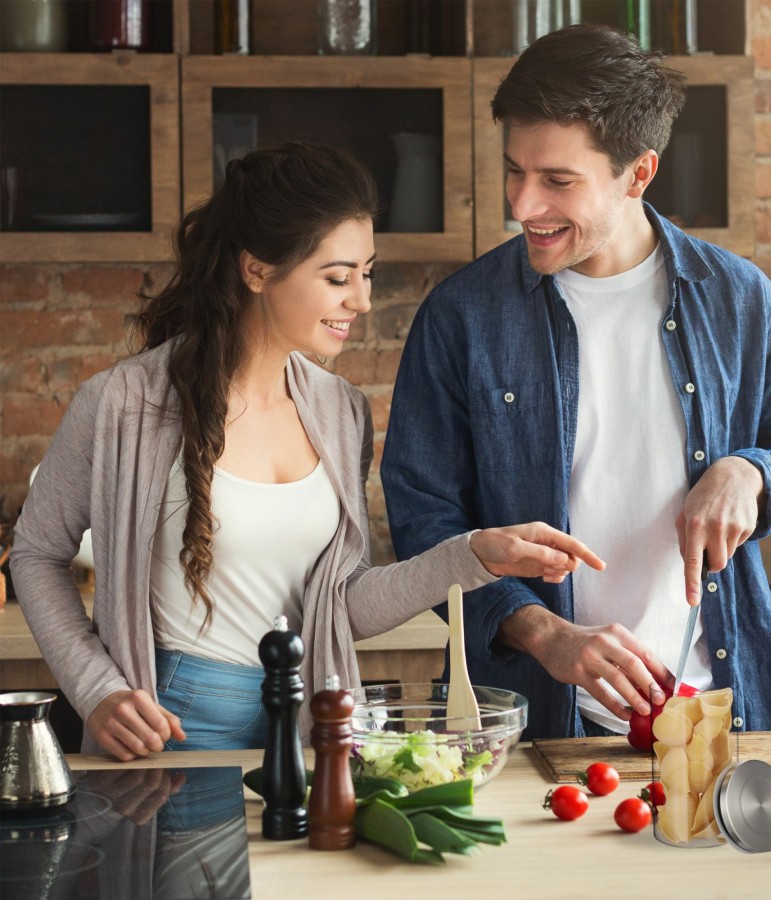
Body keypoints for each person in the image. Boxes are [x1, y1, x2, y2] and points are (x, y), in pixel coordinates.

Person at [10, 141, 603, 761]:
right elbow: (37, 554)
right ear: (257, 270)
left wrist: (474, 555)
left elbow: (340, 605)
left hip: (312, 723)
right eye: (337, 277)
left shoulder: (340, 412)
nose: (362, 300)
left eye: (366, 273)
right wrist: (97, 689)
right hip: (174, 723)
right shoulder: (123, 404)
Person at [380, 25, 771, 741]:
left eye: (558, 181)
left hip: (720, 712)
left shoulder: (741, 301)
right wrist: (542, 632)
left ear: (638, 173)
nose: (523, 204)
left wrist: (749, 474)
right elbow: (424, 521)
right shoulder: (462, 317)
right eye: (515, 170)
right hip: (532, 724)